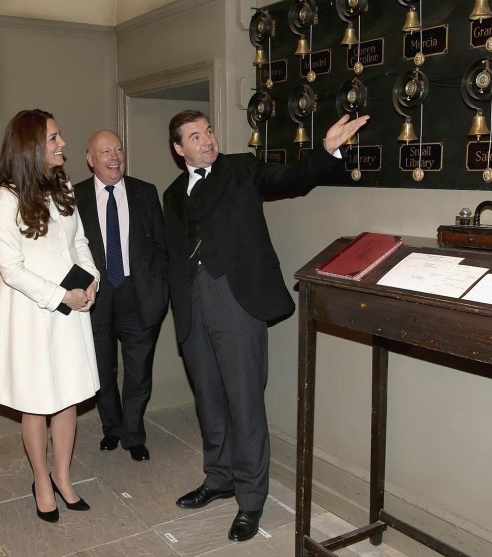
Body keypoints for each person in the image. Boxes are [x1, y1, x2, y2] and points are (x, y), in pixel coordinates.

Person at [164, 110, 369, 541]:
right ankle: (218, 478)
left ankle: (251, 500)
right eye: (195, 136)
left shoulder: (241, 168)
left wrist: (327, 149)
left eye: (209, 132)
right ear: (179, 148)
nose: (207, 140)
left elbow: (290, 179)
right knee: (209, 398)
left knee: (244, 401)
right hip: (191, 307)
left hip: (236, 302)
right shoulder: (172, 193)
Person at [0, 109, 100, 523]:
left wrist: (91, 282)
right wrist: (58, 296)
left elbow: (79, 241)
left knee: (67, 396)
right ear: (31, 146)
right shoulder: (5, 197)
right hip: (32, 312)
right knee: (37, 400)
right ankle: (42, 481)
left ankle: (63, 476)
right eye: (54, 138)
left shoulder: (62, 184)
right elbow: (11, 268)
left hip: (71, 305)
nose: (62, 143)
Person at [74, 130, 168, 462]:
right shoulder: (74, 197)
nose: (114, 157)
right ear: (90, 159)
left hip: (138, 294)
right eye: (105, 152)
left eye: (118, 149)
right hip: (96, 296)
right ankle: (112, 429)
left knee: (139, 371)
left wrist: (161, 291)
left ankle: (133, 434)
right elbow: (67, 251)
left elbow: (161, 246)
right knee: (102, 371)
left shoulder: (145, 192)